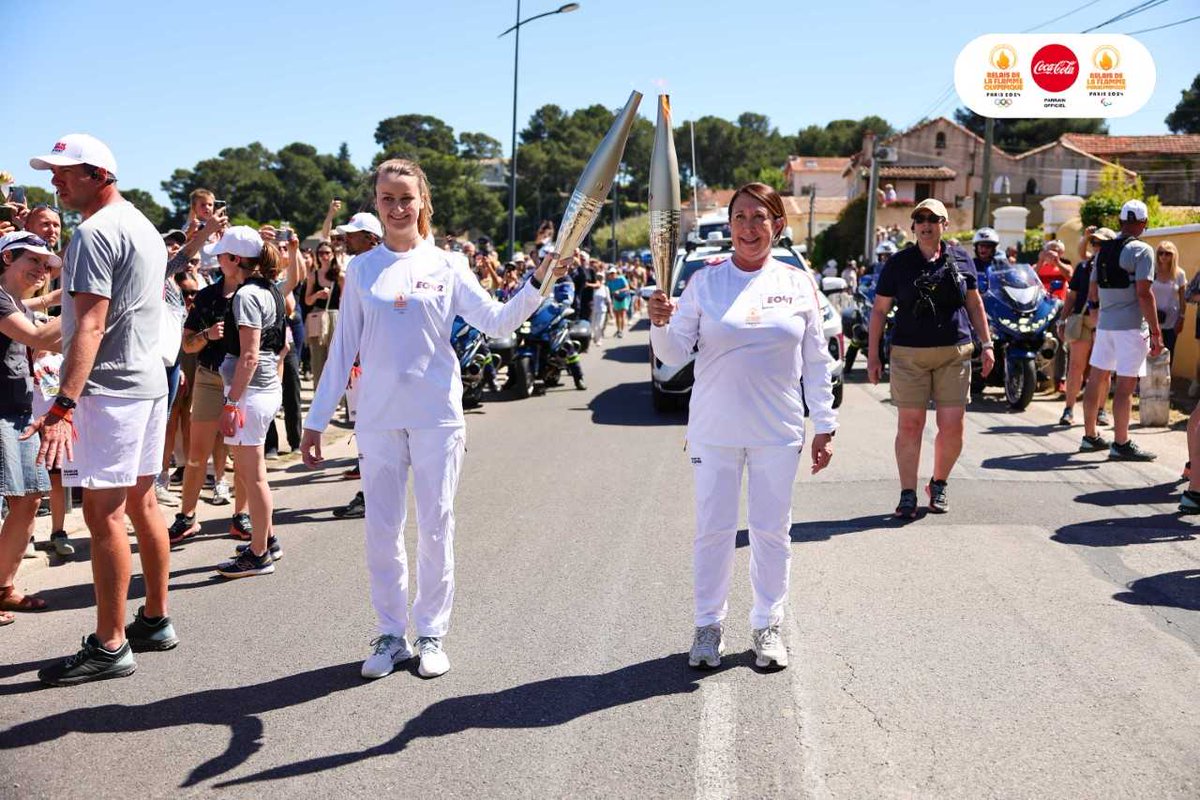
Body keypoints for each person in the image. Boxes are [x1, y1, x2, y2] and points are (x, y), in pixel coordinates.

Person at [299, 158, 566, 680]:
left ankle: (431, 633)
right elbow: (342, 348)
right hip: (376, 419)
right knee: (381, 529)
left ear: (423, 202)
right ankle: (390, 633)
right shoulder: (362, 270)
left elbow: (495, 320)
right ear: (376, 205)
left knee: (436, 526)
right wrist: (316, 420)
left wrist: (538, 280)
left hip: (436, 417)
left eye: (406, 198)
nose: (397, 207)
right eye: (387, 199)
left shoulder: (447, 265)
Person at [648, 182, 837, 670]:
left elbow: (816, 359)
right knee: (713, 531)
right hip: (715, 430)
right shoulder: (705, 283)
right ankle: (708, 625)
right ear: (729, 225)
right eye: (740, 218)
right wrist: (659, 323)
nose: (749, 228)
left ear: (777, 224)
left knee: (772, 532)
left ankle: (767, 626)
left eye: (760, 218)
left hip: (778, 430)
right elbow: (673, 354)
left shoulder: (797, 282)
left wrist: (825, 422)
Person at [26, 134, 178, 685]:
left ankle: (111, 644)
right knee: (140, 501)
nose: (55, 179)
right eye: (54, 170)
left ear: (100, 175)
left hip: (111, 389)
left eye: (66, 171)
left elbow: (90, 324)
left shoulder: (93, 232)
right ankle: (155, 618)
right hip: (146, 383)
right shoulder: (140, 223)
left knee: (104, 514)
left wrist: (64, 403)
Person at [867, 199, 994, 518]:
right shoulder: (898, 264)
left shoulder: (962, 258)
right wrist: (873, 355)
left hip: (954, 352)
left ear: (944, 225)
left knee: (953, 426)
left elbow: (975, 304)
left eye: (933, 219)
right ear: (913, 227)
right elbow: (880, 310)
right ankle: (907, 493)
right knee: (910, 425)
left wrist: (987, 344)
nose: (926, 223)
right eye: (920, 219)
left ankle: (939, 483)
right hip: (909, 355)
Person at [211, 227, 287, 578]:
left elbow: (249, 355)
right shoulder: (268, 289)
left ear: (236, 260)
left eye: (222, 255)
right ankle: (265, 539)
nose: (217, 260)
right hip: (262, 390)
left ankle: (258, 554)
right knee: (249, 472)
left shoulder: (247, 295)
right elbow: (280, 344)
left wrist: (231, 403)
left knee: (253, 476)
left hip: (250, 393)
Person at [0, 233, 64, 626]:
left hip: (20, 411)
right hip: (3, 412)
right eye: (35, 262)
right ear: (7, 257)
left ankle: (4, 588)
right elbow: (38, 337)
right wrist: (84, 307)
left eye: (47, 267)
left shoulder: (18, 302)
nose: (42, 271)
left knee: (29, 499)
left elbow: (46, 338)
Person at [1080, 200, 1162, 461]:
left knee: (1097, 379)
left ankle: (1090, 436)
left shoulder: (1103, 250)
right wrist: (1156, 332)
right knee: (1125, 387)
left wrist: (1096, 314)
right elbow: (1144, 293)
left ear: (1120, 221)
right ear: (1144, 223)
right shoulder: (1143, 251)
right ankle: (1121, 442)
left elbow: (1092, 290)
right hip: (1131, 328)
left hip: (1105, 325)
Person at [1058, 227, 1115, 426]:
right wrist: (1062, 320)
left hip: (1107, 323)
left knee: (1104, 370)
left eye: (1101, 243)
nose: (1097, 247)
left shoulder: (1119, 269)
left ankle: (1100, 410)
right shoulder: (1084, 267)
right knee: (1076, 366)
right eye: (1095, 243)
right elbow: (1072, 295)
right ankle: (1069, 409)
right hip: (1082, 320)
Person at [304, 240, 342, 388]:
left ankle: (338, 397)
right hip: (317, 316)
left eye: (327, 253)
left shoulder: (340, 276)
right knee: (317, 358)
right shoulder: (313, 276)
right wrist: (317, 295)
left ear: (333, 255)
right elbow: (307, 301)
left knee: (335, 358)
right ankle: (319, 393)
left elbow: (345, 301)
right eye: (320, 253)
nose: (324, 256)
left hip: (335, 316)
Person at [1150, 241, 1185, 360]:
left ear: (1173, 255)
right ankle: (1149, 379)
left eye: (1167, 253)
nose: (1163, 256)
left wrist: (1181, 318)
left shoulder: (1179, 274)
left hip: (1171, 320)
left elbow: (1182, 298)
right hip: (1152, 319)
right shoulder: (1151, 271)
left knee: (1168, 353)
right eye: (1161, 253)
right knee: (1151, 353)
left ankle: (1166, 378)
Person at [607, 266, 632, 338]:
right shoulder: (609, 282)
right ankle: (618, 330)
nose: (612, 275)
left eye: (613, 273)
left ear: (615, 273)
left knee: (623, 314)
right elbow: (609, 291)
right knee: (617, 316)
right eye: (610, 273)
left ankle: (621, 331)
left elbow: (627, 287)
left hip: (623, 298)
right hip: (616, 299)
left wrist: (619, 291)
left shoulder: (621, 278)